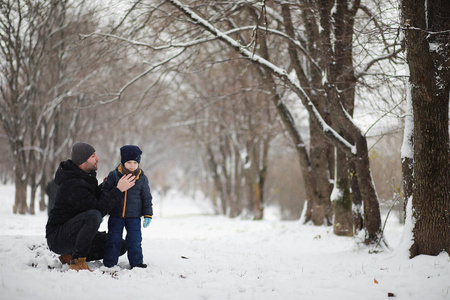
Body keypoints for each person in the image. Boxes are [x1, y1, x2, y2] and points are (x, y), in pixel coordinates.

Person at [46, 142, 136, 272]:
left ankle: (69, 255)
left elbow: (90, 200)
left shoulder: (85, 176)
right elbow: (97, 209)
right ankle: (78, 262)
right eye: (93, 156)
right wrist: (118, 190)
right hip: (58, 238)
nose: (97, 158)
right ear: (83, 161)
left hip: (75, 233)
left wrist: (106, 186)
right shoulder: (72, 183)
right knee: (93, 215)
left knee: (118, 246)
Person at [102, 145, 153, 269]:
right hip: (116, 215)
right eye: (129, 162)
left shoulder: (142, 178)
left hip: (134, 217)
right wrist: (102, 212)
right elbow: (105, 193)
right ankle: (110, 262)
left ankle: (136, 262)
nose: (132, 165)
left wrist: (148, 214)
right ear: (123, 162)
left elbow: (146, 197)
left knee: (134, 241)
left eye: (135, 162)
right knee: (113, 240)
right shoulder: (114, 175)